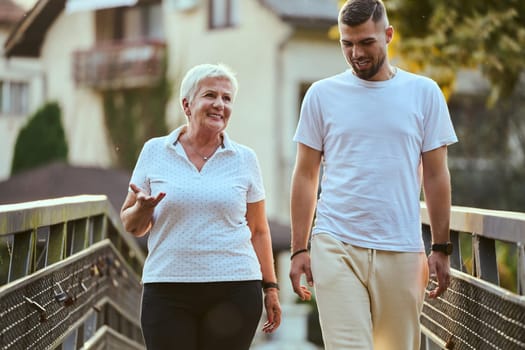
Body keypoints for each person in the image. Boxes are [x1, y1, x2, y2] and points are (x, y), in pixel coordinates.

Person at [289, 0, 458, 349]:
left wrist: (441, 246)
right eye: (347, 44)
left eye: (366, 42)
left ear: (389, 35)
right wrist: (298, 249)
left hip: (401, 247)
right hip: (335, 242)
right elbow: (306, 175)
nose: (356, 53)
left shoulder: (424, 94)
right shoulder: (321, 95)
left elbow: (437, 175)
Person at [120, 63, 281, 350]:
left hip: (235, 288)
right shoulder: (155, 151)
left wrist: (270, 288)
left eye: (227, 98)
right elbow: (132, 225)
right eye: (210, 95)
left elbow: (258, 229)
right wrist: (143, 209)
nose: (220, 104)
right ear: (187, 104)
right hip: (168, 288)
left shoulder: (244, 159)